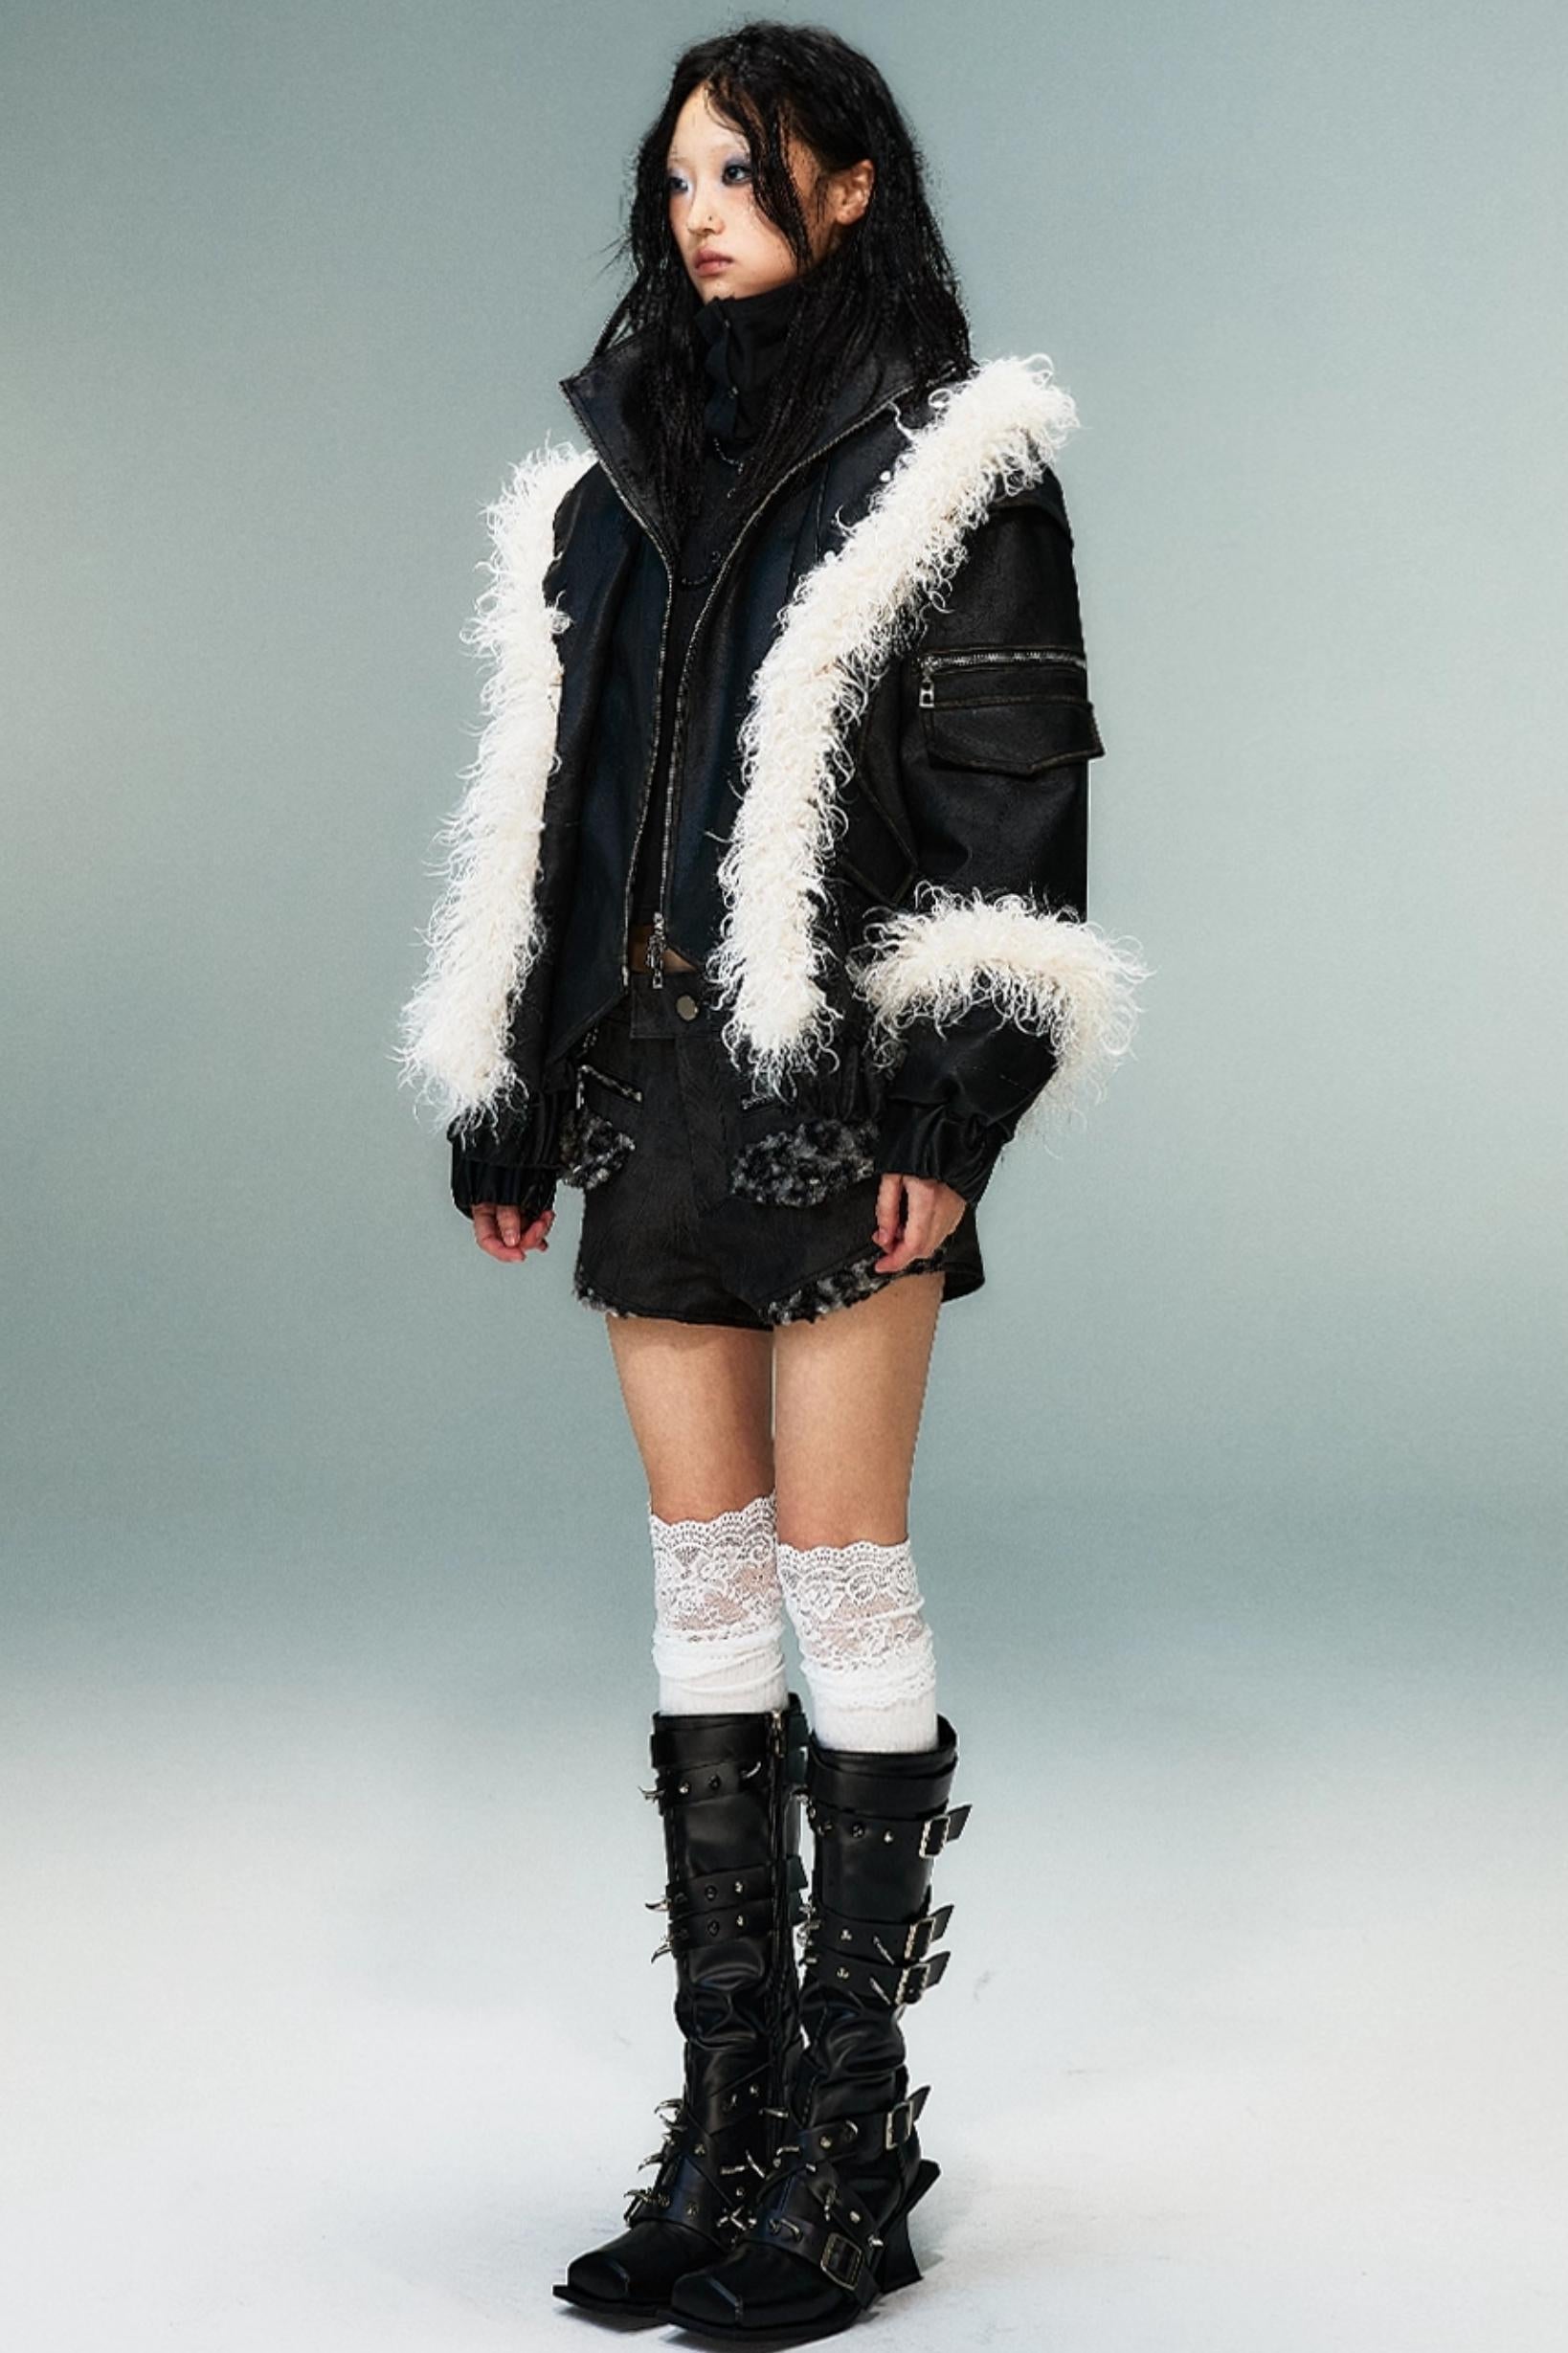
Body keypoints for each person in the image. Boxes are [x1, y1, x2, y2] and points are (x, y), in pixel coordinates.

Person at [397, 21, 1146, 2340]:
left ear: (847, 188)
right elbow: (557, 812)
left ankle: (849, 2132)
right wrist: (515, 1084)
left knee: (841, 1566)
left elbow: (1013, 818)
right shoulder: (615, 477)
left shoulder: (956, 471)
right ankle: (727, 2113)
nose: (698, 211)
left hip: (840, 1092)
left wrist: (954, 1111)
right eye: (679, 178)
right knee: (705, 1575)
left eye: (741, 172)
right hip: (654, 1088)